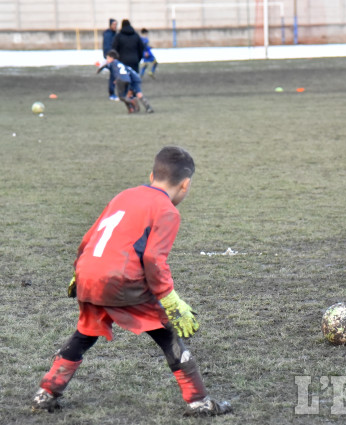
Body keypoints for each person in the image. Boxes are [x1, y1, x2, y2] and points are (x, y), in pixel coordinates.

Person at [31, 146, 232, 417]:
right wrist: (170, 299)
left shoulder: (124, 195)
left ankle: (46, 392)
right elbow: (153, 260)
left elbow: (89, 238)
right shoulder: (167, 211)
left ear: (151, 175)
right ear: (186, 185)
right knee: (166, 332)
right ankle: (198, 401)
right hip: (122, 279)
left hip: (88, 275)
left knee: (86, 332)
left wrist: (79, 273)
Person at [102, 19, 118, 101]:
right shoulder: (108, 34)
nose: (115, 26)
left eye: (116, 24)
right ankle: (112, 94)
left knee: (115, 75)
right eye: (114, 24)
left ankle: (114, 93)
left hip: (115, 57)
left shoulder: (115, 34)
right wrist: (108, 57)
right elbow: (107, 47)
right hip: (111, 57)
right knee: (113, 75)